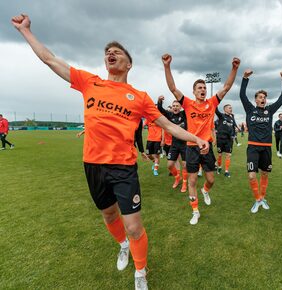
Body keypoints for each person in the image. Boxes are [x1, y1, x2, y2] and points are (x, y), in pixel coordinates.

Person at [12, 13, 209, 290]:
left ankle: (141, 272)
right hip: (92, 165)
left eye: (117, 52)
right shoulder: (89, 82)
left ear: (129, 63)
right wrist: (25, 31)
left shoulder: (139, 97)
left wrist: (196, 138)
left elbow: (166, 124)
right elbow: (50, 59)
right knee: (108, 216)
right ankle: (123, 246)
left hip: (123, 168)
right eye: (107, 52)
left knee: (134, 225)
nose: (110, 54)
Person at [162, 53, 240, 225]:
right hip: (191, 147)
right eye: (199, 88)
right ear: (194, 91)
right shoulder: (188, 103)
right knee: (192, 179)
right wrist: (167, 67)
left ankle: (205, 191)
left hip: (207, 147)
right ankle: (195, 211)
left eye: (204, 88)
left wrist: (234, 68)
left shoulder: (212, 103)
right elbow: (173, 88)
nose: (203, 90)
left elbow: (226, 87)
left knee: (211, 179)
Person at [240, 69, 282, 213]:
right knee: (251, 175)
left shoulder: (270, 110)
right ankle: (257, 200)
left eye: (264, 97)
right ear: (255, 100)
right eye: (260, 97)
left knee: (265, 174)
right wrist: (244, 78)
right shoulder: (250, 110)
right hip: (253, 147)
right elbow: (242, 95)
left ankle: (262, 197)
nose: (263, 99)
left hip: (266, 147)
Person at [157, 95, 189, 192]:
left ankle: (184, 183)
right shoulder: (170, 115)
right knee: (170, 165)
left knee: (184, 165)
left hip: (184, 144)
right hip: (174, 144)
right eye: (174, 106)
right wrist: (159, 101)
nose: (175, 107)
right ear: (172, 107)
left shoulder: (184, 114)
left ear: (180, 107)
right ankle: (177, 177)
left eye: (177, 106)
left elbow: (190, 108)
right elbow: (160, 109)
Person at [215, 105, 237, 177]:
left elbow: (234, 127)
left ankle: (226, 171)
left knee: (228, 155)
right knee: (220, 155)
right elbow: (216, 111)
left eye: (231, 108)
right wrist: (215, 102)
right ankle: (220, 167)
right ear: (225, 109)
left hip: (229, 140)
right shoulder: (221, 116)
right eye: (229, 108)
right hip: (220, 139)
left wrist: (234, 133)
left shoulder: (232, 118)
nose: (231, 109)